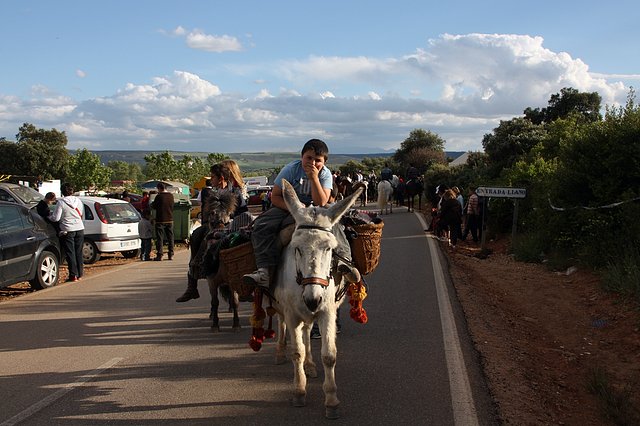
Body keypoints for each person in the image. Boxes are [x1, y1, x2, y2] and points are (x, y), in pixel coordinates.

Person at [243, 138, 360, 290]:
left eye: (318, 160)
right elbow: (276, 196)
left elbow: (321, 201)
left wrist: (314, 178)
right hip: (288, 207)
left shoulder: (325, 175)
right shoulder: (291, 169)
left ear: (324, 162)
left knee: (336, 224)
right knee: (261, 225)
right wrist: (294, 208)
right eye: (308, 158)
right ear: (301, 157)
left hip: (317, 209)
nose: (312, 163)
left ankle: (344, 261)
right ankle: (264, 271)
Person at [175, 162, 250, 302]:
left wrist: (232, 220)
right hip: (212, 225)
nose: (211, 180)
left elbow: (243, 212)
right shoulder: (209, 192)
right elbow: (206, 213)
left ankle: (248, 285)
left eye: (213, 177)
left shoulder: (235, 192)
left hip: (231, 226)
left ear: (221, 178)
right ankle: (192, 284)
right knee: (197, 235)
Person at [50, 183, 85, 282]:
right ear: (72, 191)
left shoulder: (61, 202)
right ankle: (80, 274)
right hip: (79, 228)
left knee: (70, 253)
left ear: (62, 192)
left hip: (67, 229)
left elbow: (56, 218)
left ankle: (73, 275)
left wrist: (49, 217)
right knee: (78, 252)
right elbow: (81, 213)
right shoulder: (78, 200)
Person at [150, 182, 174, 261]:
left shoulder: (159, 196)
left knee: (160, 238)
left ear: (159, 188)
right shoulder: (171, 196)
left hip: (160, 219)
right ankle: (171, 254)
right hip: (170, 219)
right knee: (170, 237)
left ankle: (160, 254)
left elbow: (154, 206)